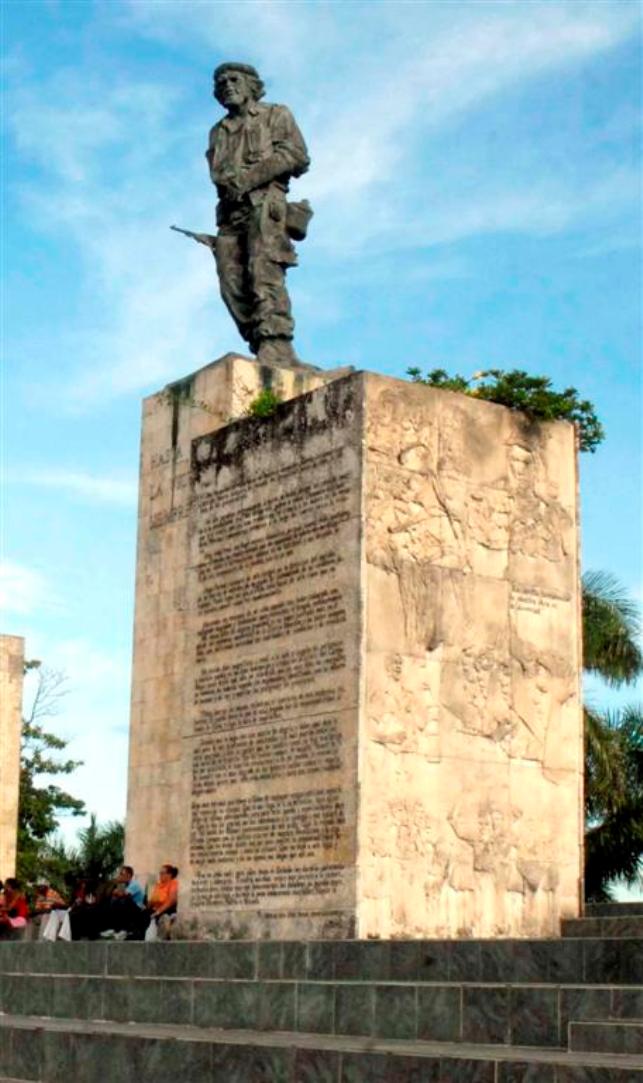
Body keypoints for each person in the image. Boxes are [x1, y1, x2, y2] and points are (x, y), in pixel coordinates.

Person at [206, 62, 311, 369]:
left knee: (263, 271)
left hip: (264, 204)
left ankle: (276, 345)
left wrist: (249, 179)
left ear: (252, 85)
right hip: (230, 213)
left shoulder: (275, 114)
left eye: (234, 79)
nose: (227, 85)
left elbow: (296, 155)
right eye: (221, 81)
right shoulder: (218, 131)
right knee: (231, 281)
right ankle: (259, 341)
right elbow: (217, 172)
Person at [145, 864, 179, 941]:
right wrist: (147, 906)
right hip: (154, 909)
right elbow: (153, 899)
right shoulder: (158, 885)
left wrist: (158, 911)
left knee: (152, 918)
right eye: (160, 873)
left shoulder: (173, 883)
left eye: (162, 873)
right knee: (142, 914)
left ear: (169, 875)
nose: (160, 875)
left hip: (166, 910)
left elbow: (171, 901)